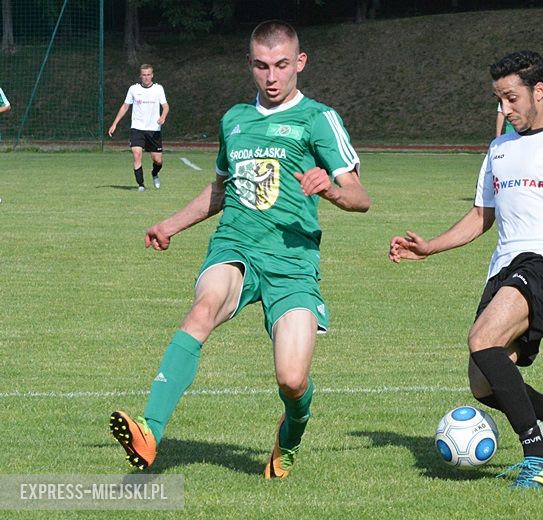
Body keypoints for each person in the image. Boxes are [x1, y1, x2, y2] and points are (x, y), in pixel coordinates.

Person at [110, 20, 371, 478]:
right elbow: (221, 190)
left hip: (292, 260)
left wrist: (328, 188)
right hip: (236, 245)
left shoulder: (318, 119)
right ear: (250, 64)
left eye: (282, 65)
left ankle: (292, 430)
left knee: (292, 380)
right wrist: (170, 224)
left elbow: (360, 197)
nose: (272, 77)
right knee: (202, 308)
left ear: (300, 63)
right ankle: (149, 431)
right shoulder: (234, 119)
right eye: (262, 66)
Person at [389, 50, 543, 489]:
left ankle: (537, 454)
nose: (504, 109)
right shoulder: (499, 148)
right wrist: (430, 247)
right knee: (483, 385)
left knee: (482, 339)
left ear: (538, 91)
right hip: (503, 266)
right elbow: (480, 216)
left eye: (511, 98)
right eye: (498, 100)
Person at [108, 64, 169, 192]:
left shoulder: (158, 89)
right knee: (136, 154)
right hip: (137, 128)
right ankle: (141, 185)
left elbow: (166, 106)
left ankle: (154, 173)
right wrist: (115, 123)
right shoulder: (133, 89)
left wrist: (163, 117)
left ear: (152, 75)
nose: (146, 77)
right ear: (140, 76)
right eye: (144, 75)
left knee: (157, 160)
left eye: (148, 75)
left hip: (154, 130)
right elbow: (125, 106)